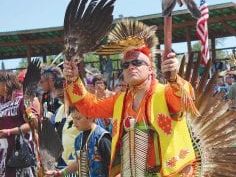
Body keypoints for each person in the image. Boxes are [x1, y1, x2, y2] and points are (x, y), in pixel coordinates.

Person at [63, 19, 196, 176]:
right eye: (125, 65)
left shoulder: (164, 92)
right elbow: (89, 107)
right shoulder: (120, 100)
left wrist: (174, 78)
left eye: (137, 62)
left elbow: (184, 102)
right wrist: (73, 80)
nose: (131, 67)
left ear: (150, 67)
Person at [45, 107, 111, 177]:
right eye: (73, 118)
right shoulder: (78, 139)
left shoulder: (102, 138)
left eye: (78, 118)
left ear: (91, 116)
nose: (74, 122)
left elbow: (115, 166)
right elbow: (79, 162)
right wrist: (61, 173)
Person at [0, 71, 36, 176]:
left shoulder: (22, 99)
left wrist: (10, 131)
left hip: (19, 153)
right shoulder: (1, 101)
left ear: (6, 83)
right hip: (3, 155)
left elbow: (32, 124)